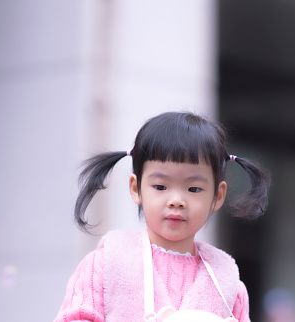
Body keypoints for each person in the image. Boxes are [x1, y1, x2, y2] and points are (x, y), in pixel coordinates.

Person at [54, 111, 270, 322]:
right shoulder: (105, 264)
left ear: (218, 195)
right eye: (160, 186)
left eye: (194, 189)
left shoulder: (228, 284)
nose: (176, 200)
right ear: (136, 188)